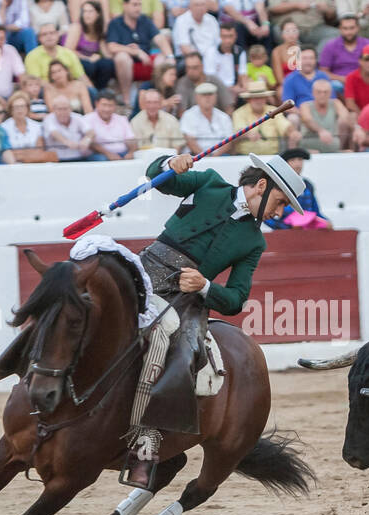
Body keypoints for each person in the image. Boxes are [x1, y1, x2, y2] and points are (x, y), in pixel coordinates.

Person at [118, 149, 305, 487]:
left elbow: (235, 299)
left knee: (184, 356)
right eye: (280, 202)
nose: (280, 213)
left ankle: (145, 445)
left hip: (185, 300)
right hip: (144, 274)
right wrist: (169, 163)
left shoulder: (254, 241)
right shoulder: (209, 184)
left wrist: (204, 286)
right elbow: (159, 178)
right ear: (261, 185)